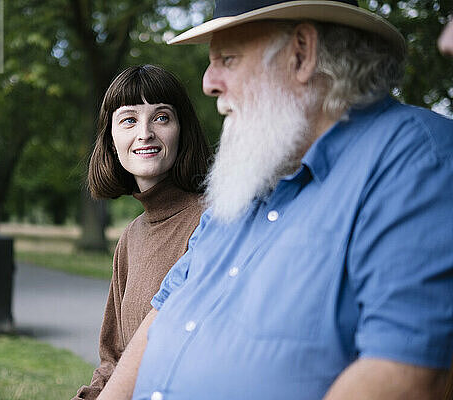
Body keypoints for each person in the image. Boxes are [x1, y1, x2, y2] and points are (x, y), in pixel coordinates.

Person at [98, 1, 453, 399]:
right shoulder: (251, 175)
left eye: (227, 59)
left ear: (302, 53)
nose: (208, 82)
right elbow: (162, 316)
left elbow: (404, 374)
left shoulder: (414, 160)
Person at [72, 64, 210, 400]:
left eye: (161, 117)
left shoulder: (212, 222)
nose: (145, 133)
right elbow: (113, 359)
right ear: (111, 139)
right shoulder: (130, 238)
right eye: (129, 120)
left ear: (182, 130)